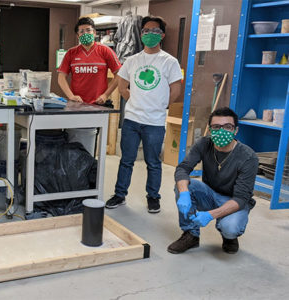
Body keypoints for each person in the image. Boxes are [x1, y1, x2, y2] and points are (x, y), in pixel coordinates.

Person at [106, 15, 182, 213]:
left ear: (162, 35)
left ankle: (153, 197)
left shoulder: (169, 61)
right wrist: (135, 101)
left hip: (155, 122)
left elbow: (176, 89)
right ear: (141, 34)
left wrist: (160, 105)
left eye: (155, 31)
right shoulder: (132, 60)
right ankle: (120, 194)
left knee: (153, 163)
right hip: (131, 119)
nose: (150, 34)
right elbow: (122, 86)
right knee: (126, 161)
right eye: (146, 31)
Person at [168, 107, 258, 254]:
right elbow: (183, 169)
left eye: (228, 127)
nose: (222, 131)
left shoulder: (248, 157)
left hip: (234, 201)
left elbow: (241, 198)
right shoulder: (204, 144)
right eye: (216, 127)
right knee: (183, 184)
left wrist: (210, 215)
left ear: (236, 130)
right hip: (210, 194)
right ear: (210, 130)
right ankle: (191, 235)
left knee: (230, 227)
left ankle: (229, 237)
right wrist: (184, 193)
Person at [58, 17, 122, 105]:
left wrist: (106, 95)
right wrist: (71, 96)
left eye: (88, 30)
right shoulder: (71, 53)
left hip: (99, 104)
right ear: (78, 36)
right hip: (76, 104)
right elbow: (61, 77)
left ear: (94, 33)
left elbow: (119, 74)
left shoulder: (105, 50)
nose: (85, 33)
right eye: (81, 31)